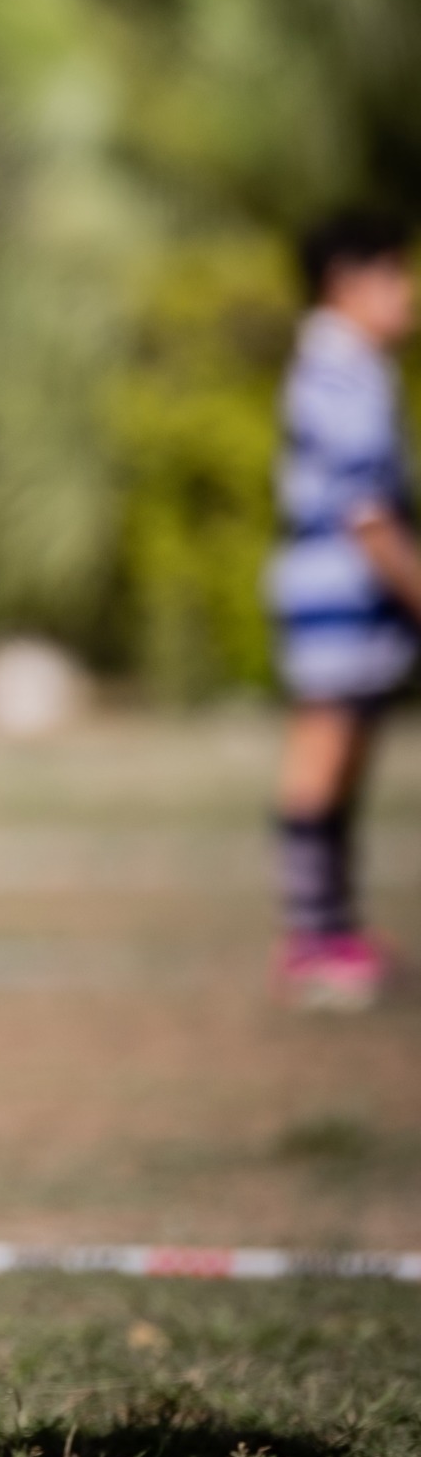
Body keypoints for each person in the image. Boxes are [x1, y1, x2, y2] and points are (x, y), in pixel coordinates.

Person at [266, 210, 419, 1009]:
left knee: (349, 763)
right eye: (393, 272)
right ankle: (311, 939)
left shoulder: (354, 364)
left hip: (352, 602)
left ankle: (335, 925)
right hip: (332, 597)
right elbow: (366, 511)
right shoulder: (336, 368)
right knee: (320, 762)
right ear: (345, 283)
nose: (407, 291)